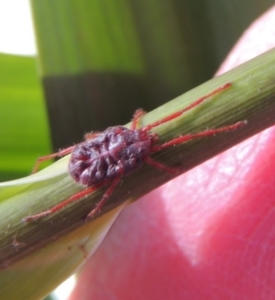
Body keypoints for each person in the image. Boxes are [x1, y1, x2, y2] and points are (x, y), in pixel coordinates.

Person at [70, 6, 275, 299]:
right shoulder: (136, 146)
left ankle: (214, 101)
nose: (149, 136)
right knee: (178, 133)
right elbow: (110, 171)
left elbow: (107, 153)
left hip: (96, 158)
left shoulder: (132, 137)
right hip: (93, 162)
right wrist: (166, 169)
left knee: (172, 134)